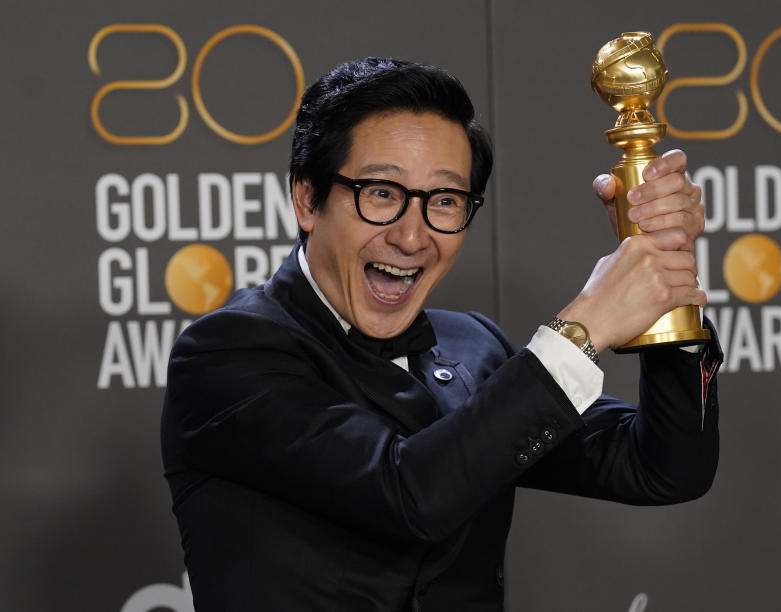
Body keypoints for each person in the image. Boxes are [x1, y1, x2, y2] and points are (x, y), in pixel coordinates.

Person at [161, 57, 722, 612]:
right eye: (382, 193)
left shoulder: (471, 345)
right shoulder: (226, 354)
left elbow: (660, 468)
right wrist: (585, 326)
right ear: (308, 199)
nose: (412, 236)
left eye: (445, 202)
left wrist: (665, 284)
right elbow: (410, 494)